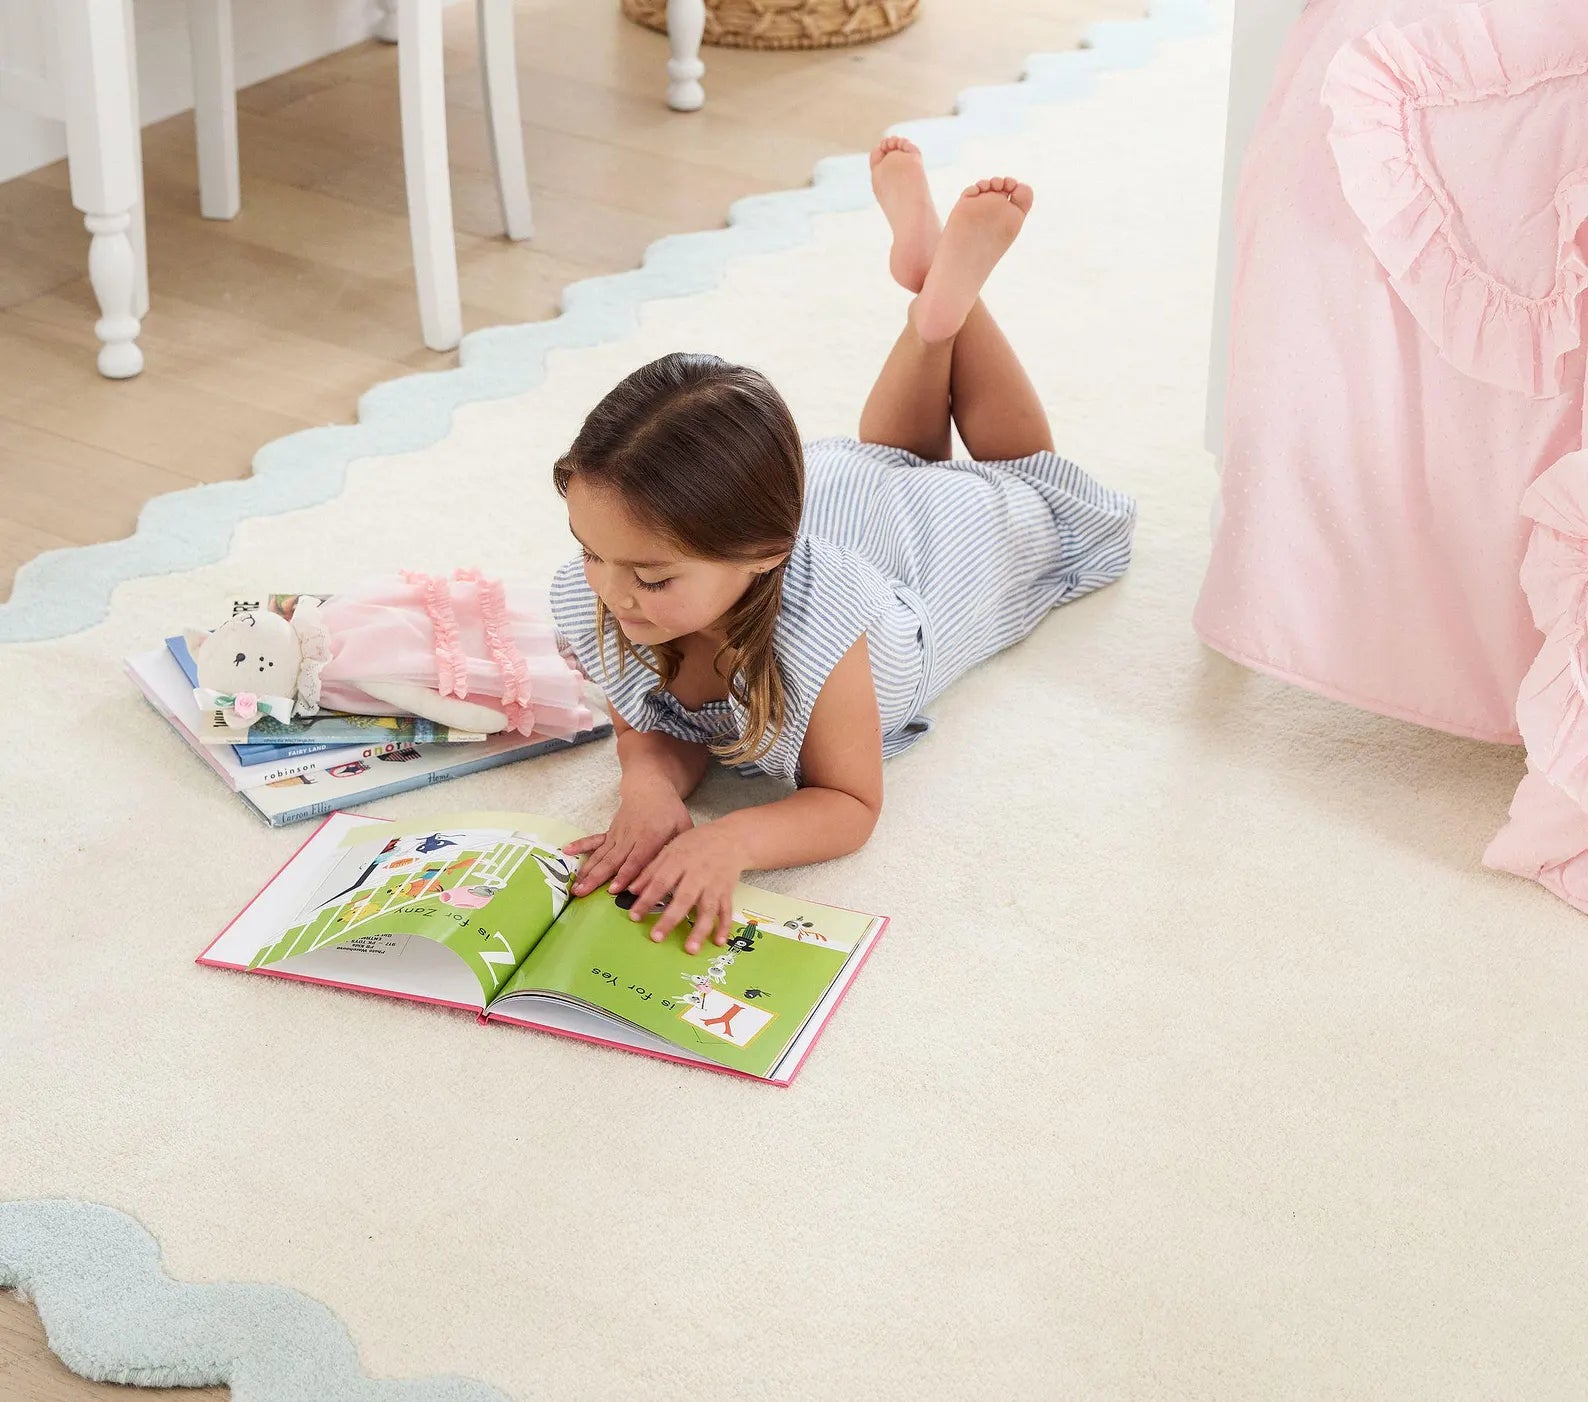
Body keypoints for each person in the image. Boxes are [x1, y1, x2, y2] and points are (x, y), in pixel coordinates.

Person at [550, 137, 1136, 953]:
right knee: (888, 457)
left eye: (648, 577)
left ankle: (950, 308)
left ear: (763, 551)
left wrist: (733, 840)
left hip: (927, 559)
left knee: (1022, 479)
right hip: (838, 500)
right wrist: (646, 785)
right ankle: (935, 299)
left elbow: (850, 802)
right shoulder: (616, 582)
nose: (610, 592)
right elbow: (654, 728)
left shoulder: (820, 634)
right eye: (590, 551)